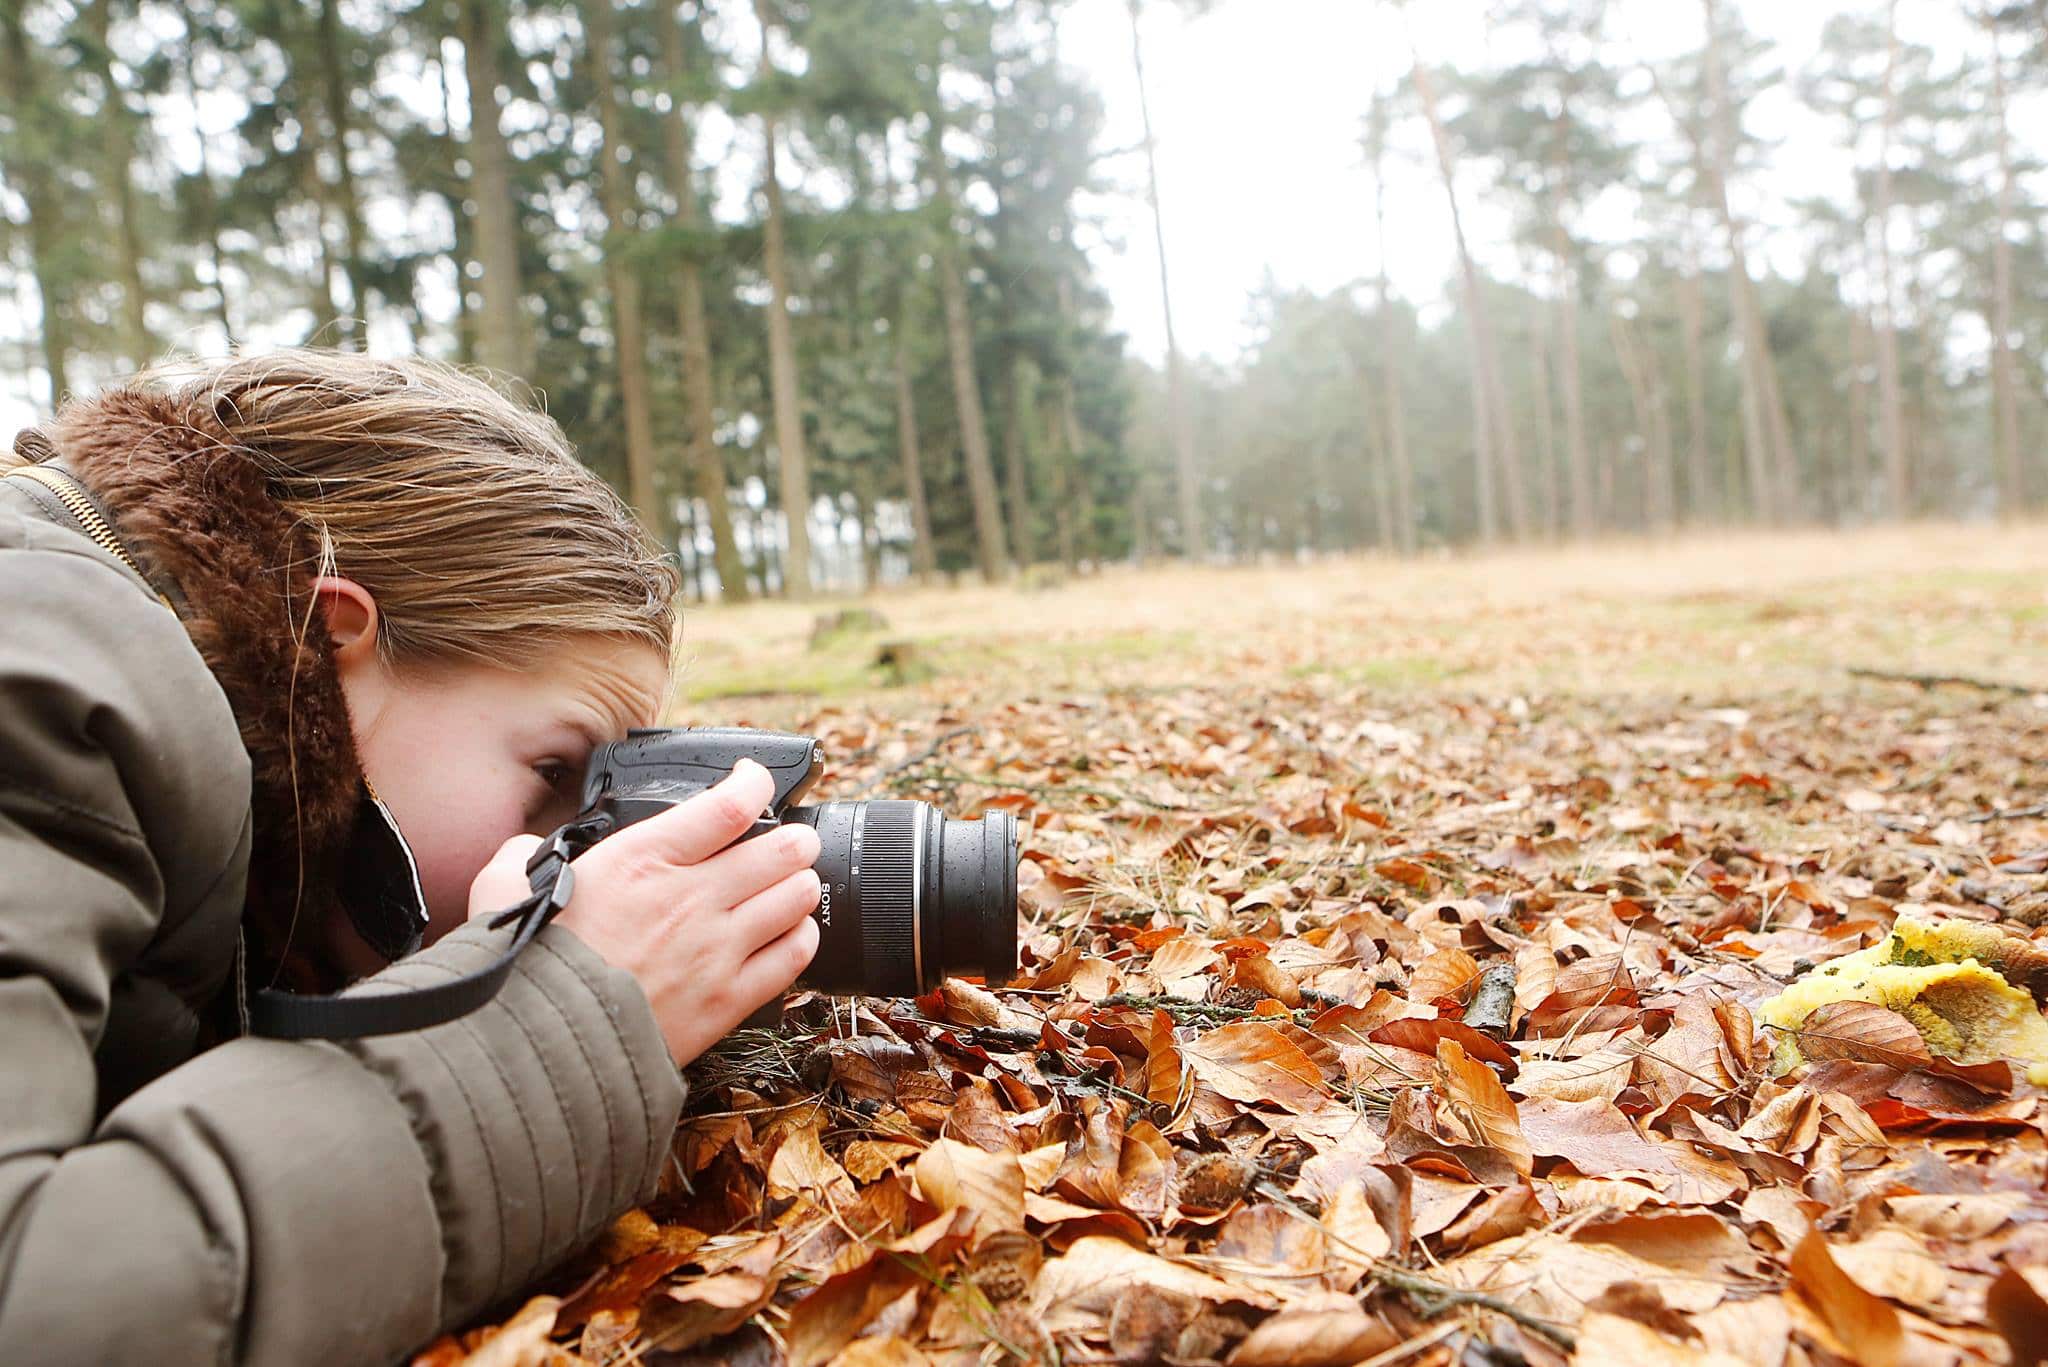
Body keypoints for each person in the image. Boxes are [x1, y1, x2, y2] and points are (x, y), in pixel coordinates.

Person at [0, 349, 821, 1364]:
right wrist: (561, 1030)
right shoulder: (48, 677)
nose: (565, 846)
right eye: (553, 769)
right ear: (325, 628)